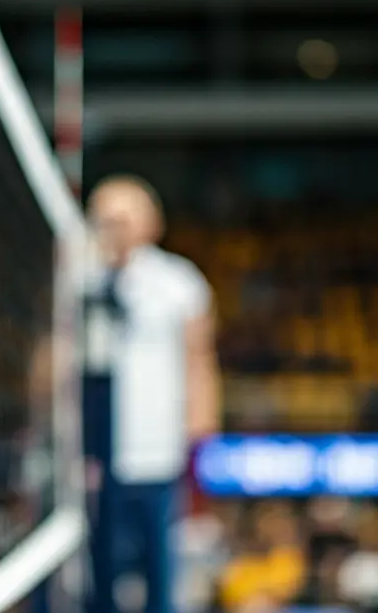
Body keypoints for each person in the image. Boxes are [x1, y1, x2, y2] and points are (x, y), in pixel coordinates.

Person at [82, 175, 219, 613]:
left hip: (158, 451)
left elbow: (200, 360)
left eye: (123, 218)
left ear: (150, 223)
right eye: (104, 218)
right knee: (95, 573)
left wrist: (200, 438)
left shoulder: (179, 282)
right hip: (90, 458)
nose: (113, 228)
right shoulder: (75, 280)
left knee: (161, 573)